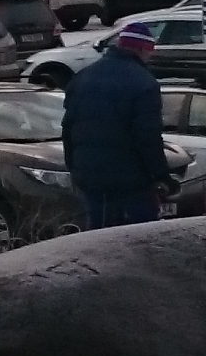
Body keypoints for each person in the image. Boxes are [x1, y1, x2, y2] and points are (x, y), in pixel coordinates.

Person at [62, 17, 170, 229]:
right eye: (150, 50)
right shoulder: (143, 84)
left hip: (89, 177)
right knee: (140, 239)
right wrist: (161, 176)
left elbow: (68, 128)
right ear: (141, 49)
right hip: (130, 182)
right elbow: (147, 138)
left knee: (97, 238)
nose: (151, 56)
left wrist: (75, 168)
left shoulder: (82, 77)